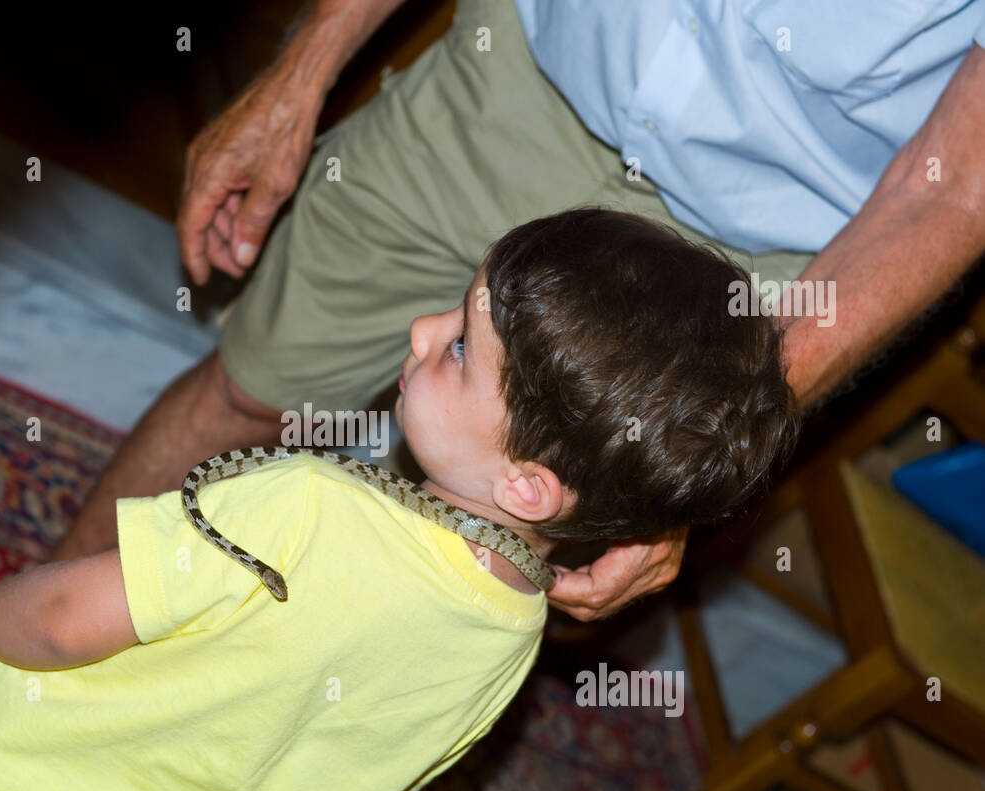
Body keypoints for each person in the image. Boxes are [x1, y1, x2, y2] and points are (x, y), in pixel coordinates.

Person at [0, 208, 800, 791]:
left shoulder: (303, 510)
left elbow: (60, 614)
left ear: (527, 480)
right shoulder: (512, 637)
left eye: (462, 349)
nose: (422, 333)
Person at [48, 0, 985, 623]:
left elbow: (949, 197)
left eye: (450, 337)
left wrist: (698, 441)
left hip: (740, 255)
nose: (428, 329)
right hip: (515, 84)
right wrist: (301, 74)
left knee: (474, 583)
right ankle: (24, 653)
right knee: (249, 389)